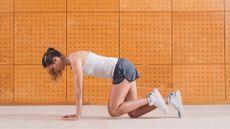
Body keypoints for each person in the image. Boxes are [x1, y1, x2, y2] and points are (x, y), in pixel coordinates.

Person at [42, 47, 183, 121]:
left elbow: (79, 89)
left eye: (52, 69)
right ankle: (170, 99)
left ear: (55, 60)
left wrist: (77, 114)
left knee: (113, 111)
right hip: (125, 66)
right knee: (133, 113)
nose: (54, 72)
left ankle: (151, 98)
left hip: (121, 69)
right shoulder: (73, 61)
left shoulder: (75, 59)